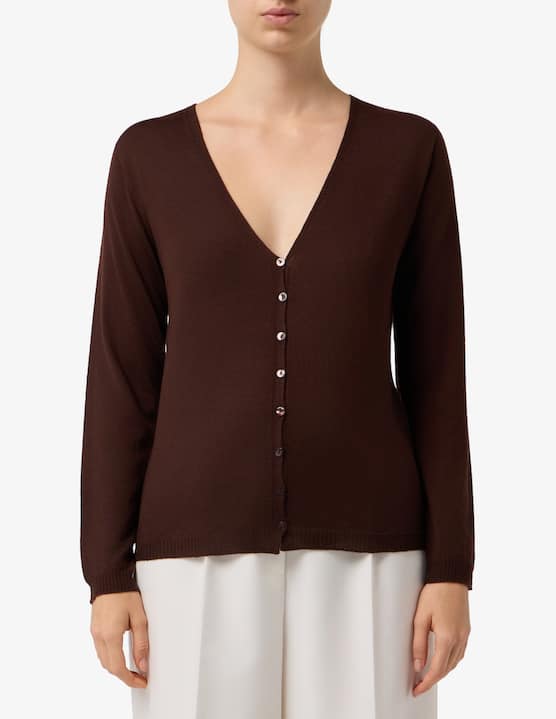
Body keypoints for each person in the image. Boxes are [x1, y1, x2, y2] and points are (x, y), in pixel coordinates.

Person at [80, 1, 475, 717]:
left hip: (375, 560)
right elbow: (121, 375)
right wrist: (107, 573)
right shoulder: (147, 157)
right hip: (190, 559)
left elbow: (438, 373)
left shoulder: (408, 151)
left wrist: (452, 567)